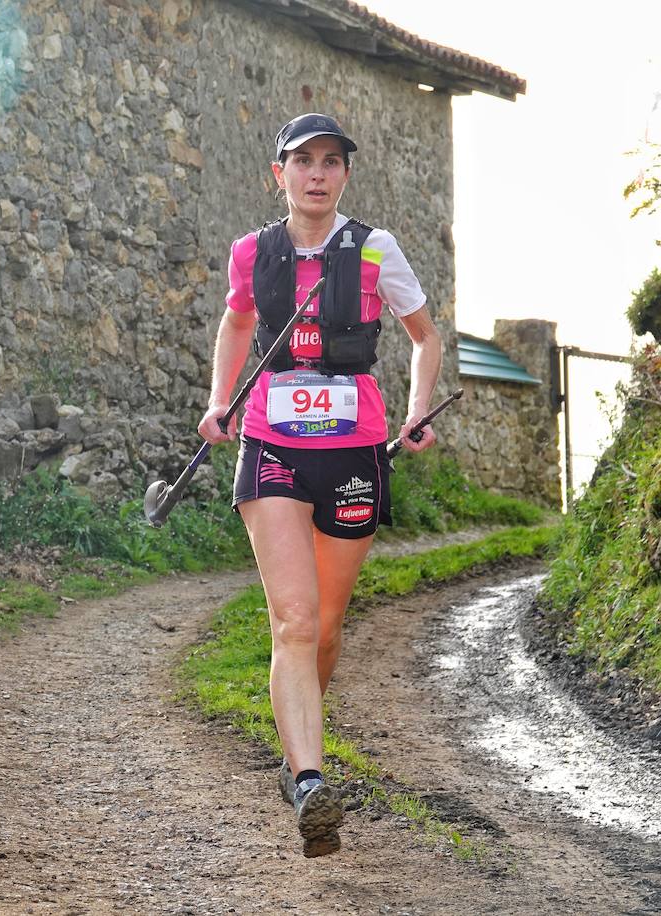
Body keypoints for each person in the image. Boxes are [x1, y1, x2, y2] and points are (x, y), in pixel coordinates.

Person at [197, 113, 442, 857]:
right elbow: (237, 324)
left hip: (355, 450)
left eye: (331, 162)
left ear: (344, 175)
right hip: (272, 444)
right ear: (280, 173)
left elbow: (426, 336)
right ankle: (309, 779)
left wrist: (417, 410)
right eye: (303, 161)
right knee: (295, 623)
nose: (317, 174)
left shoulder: (376, 249)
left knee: (327, 629)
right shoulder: (254, 252)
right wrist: (219, 399)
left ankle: (295, 738)